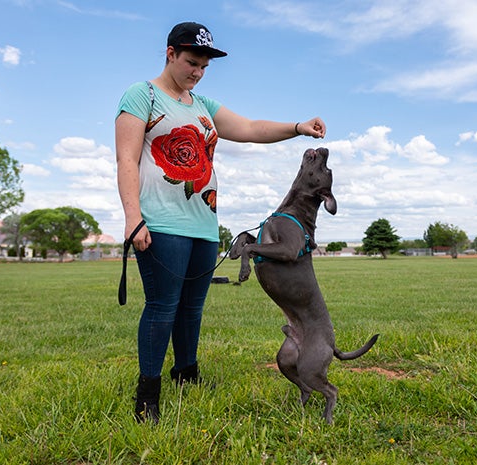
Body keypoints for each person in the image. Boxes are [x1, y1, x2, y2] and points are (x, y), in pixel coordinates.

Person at [115, 21, 326, 424]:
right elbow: (126, 158)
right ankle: (147, 396)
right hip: (160, 222)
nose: (197, 71)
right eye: (191, 62)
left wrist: (297, 128)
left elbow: (248, 129)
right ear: (170, 53)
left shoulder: (203, 105)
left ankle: (186, 374)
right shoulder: (141, 95)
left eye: (204, 66)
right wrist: (132, 217)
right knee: (162, 308)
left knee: (192, 308)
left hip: (202, 223)